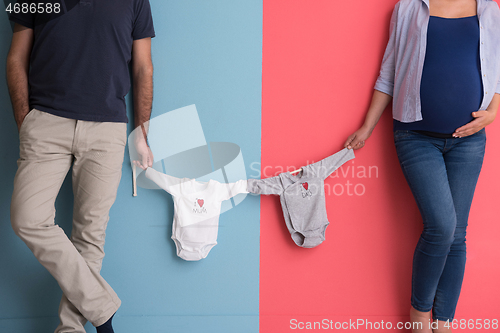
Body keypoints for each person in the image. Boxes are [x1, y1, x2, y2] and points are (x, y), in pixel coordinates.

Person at [344, 0, 500, 332]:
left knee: (457, 234)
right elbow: (389, 73)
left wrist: (493, 111)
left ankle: (443, 323)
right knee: (442, 226)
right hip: (415, 136)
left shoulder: (489, 10)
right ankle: (419, 316)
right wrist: (366, 127)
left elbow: (496, 68)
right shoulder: (409, 8)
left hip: (469, 140)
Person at [6, 1, 155, 332]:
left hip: (108, 129)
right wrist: (25, 121)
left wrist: (142, 132)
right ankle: (103, 310)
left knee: (90, 236)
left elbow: (143, 67)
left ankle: (70, 330)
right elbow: (17, 56)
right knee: (27, 218)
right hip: (46, 122)